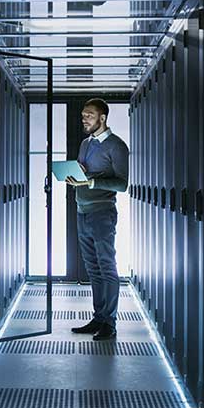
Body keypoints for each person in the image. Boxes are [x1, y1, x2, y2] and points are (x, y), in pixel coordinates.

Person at [66, 98, 129, 341]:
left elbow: (122, 184)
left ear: (102, 118)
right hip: (82, 210)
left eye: (89, 115)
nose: (84, 119)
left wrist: (91, 182)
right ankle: (99, 317)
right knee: (92, 268)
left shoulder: (117, 146)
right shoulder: (85, 143)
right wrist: (75, 176)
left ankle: (110, 323)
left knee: (106, 267)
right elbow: (84, 171)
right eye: (83, 115)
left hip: (102, 213)